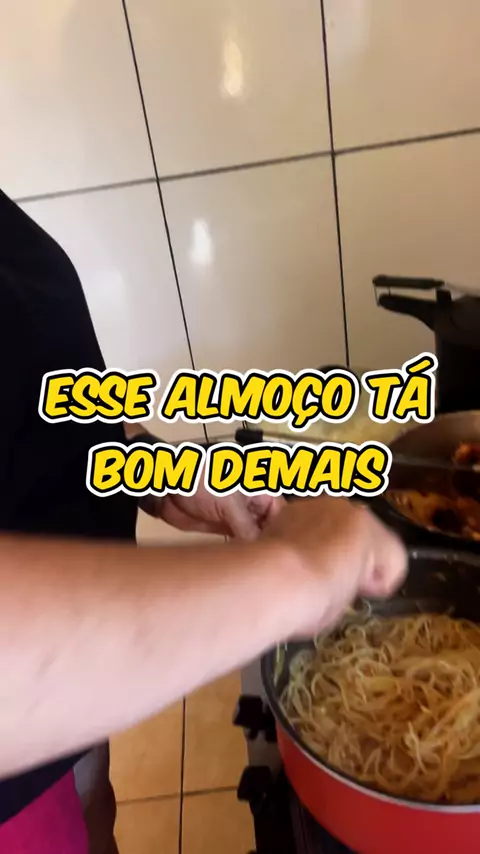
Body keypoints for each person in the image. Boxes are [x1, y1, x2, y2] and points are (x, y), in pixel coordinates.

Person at [0, 189, 407, 853]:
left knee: (95, 815)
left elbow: (36, 396)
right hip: (13, 779)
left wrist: (157, 474)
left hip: (68, 705)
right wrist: (293, 574)